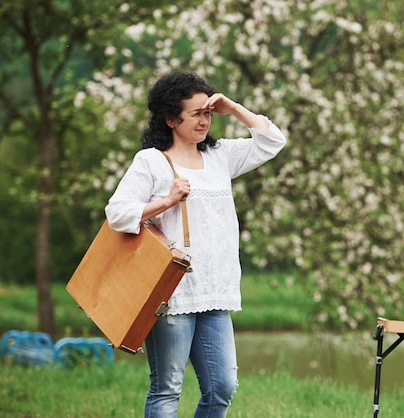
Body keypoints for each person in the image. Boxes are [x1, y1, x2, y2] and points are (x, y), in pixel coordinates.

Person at [105, 71, 287, 418]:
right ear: (172, 119)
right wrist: (166, 201)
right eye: (196, 114)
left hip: (216, 291)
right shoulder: (152, 161)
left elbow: (272, 141)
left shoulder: (220, 154)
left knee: (222, 388)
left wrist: (232, 108)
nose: (205, 121)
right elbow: (117, 213)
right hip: (171, 293)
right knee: (167, 390)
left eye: (207, 113)